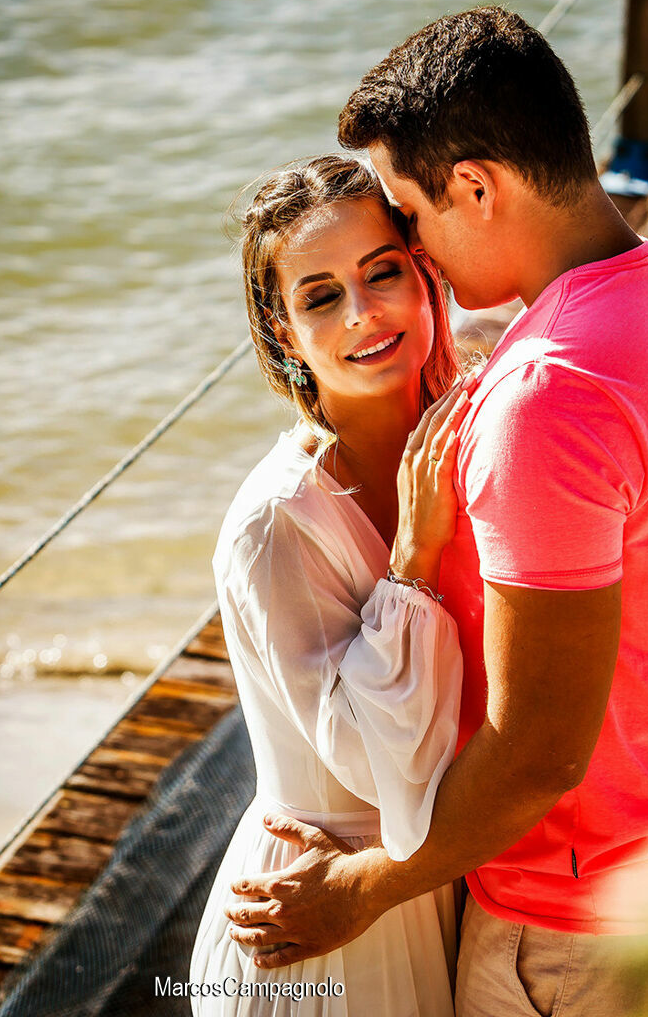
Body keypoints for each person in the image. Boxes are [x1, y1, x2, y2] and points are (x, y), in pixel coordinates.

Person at [223, 7, 648, 1017]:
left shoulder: (545, 394)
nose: (417, 256)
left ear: (475, 187)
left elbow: (538, 754)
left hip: (582, 931)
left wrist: (364, 891)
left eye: (408, 226)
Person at [188, 155, 472, 1017]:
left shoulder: (471, 425)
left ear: (424, 272)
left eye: (381, 272)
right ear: (282, 332)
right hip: (325, 921)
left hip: (432, 886)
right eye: (319, 296)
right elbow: (385, 767)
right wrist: (412, 561)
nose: (362, 313)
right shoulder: (279, 521)